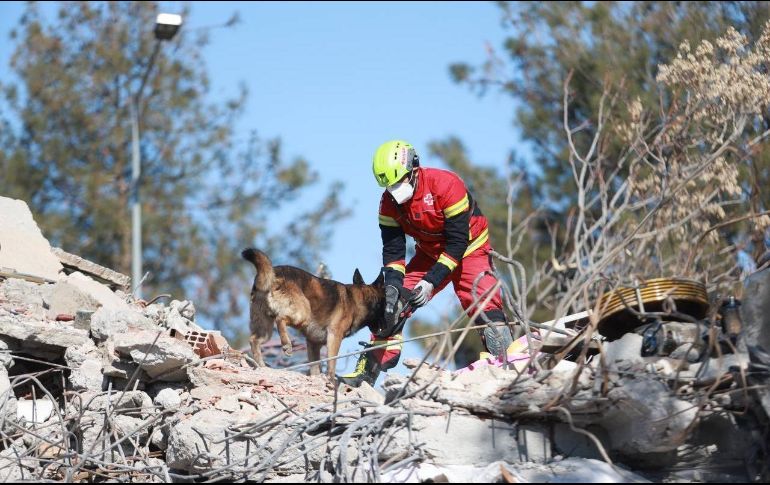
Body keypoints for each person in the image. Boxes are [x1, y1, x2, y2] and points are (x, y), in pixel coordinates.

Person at [339, 140, 514, 387]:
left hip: (470, 248)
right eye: (390, 185)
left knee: (484, 301)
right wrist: (393, 287)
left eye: (399, 182)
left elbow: (457, 242)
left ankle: (506, 365)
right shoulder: (388, 204)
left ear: (414, 169)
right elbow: (393, 250)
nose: (395, 190)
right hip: (429, 253)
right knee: (390, 305)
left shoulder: (446, 185)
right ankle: (367, 371)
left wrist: (430, 282)